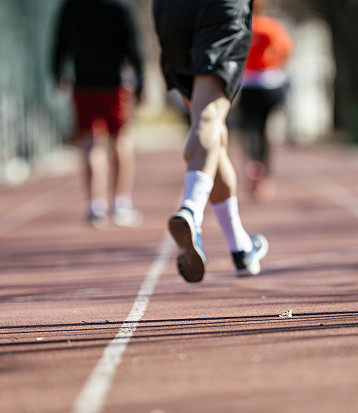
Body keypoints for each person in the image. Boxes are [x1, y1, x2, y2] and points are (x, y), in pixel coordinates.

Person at [152, 0, 268, 283]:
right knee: (209, 115)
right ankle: (191, 209)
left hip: (172, 11)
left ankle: (240, 248)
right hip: (219, 8)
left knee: (212, 129)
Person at [52, 0, 144, 228]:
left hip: (84, 83)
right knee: (120, 139)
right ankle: (121, 203)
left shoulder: (72, 6)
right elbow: (133, 45)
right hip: (114, 84)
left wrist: (57, 73)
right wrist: (141, 83)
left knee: (91, 143)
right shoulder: (120, 5)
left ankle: (96, 205)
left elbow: (59, 42)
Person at [238, 0, 293, 201]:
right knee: (265, 131)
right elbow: (286, 49)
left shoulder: (241, 26)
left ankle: (253, 163)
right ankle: (266, 176)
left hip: (249, 84)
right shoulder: (272, 27)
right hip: (270, 84)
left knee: (249, 129)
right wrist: (274, 63)